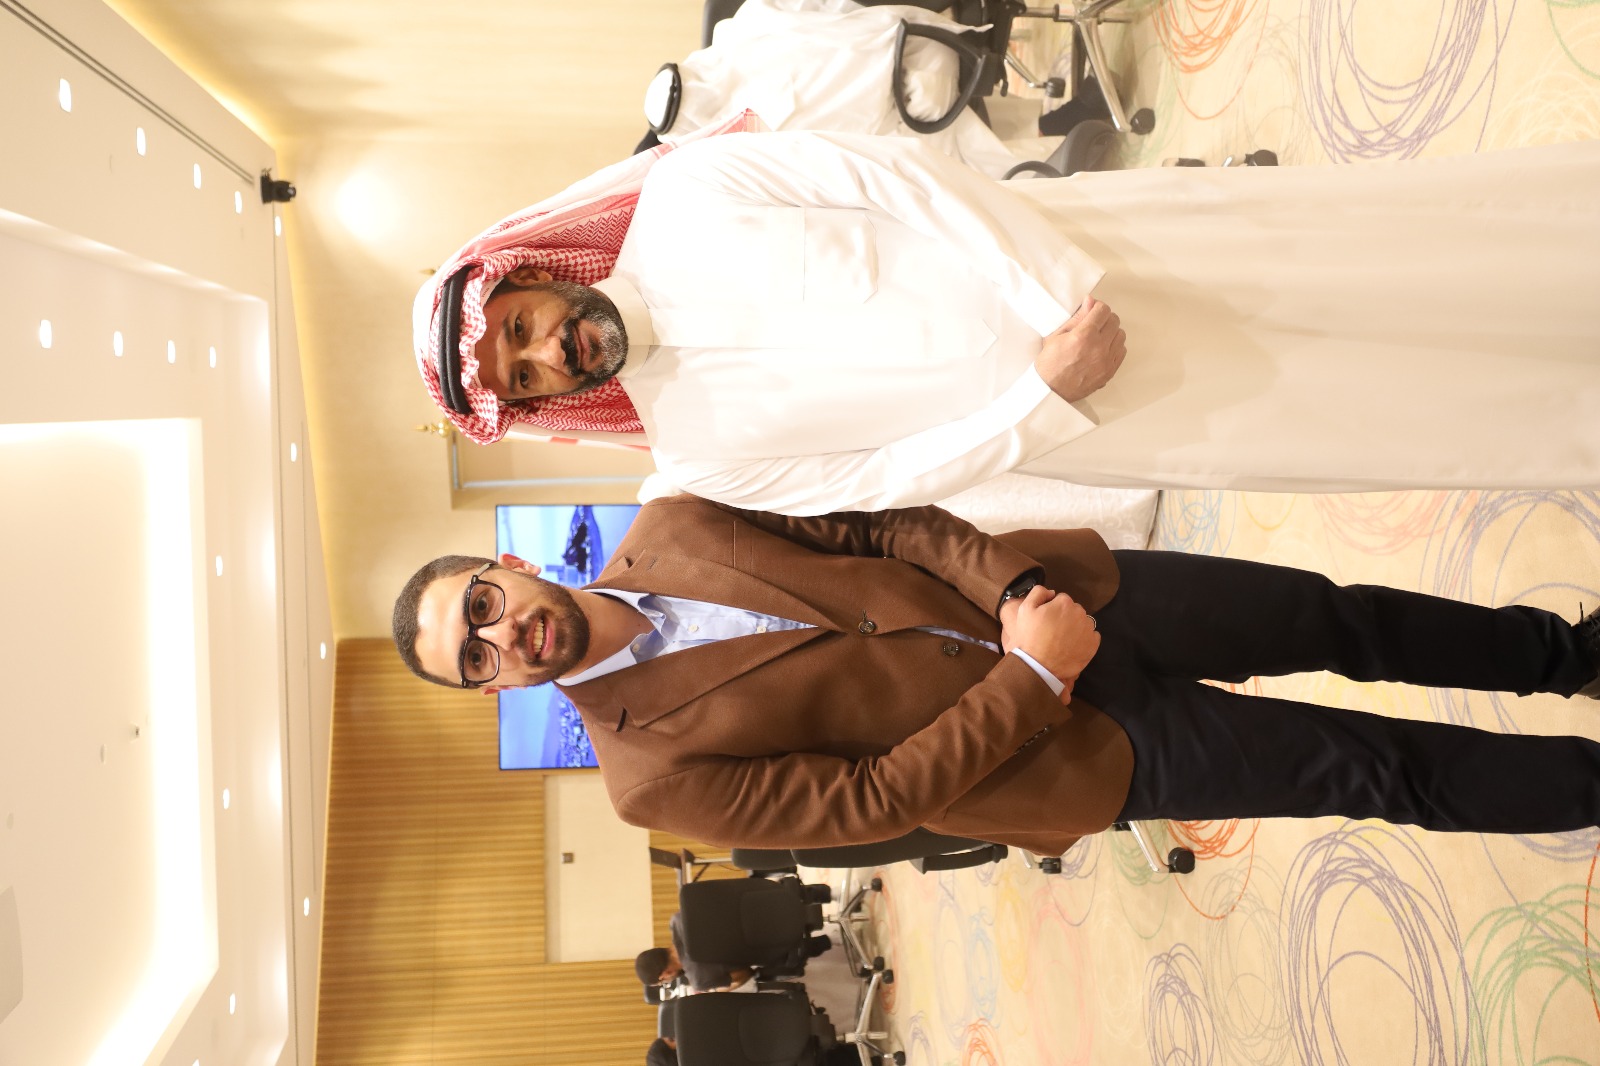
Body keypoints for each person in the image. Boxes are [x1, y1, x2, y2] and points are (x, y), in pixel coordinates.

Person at [414, 129, 1600, 514]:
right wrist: (1045, 396)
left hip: (1106, 260)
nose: (544, 351)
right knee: (1372, 417)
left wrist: (1052, 306)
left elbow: (894, 174)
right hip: (1104, 411)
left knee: (1376, 266)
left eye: (520, 327)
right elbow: (888, 478)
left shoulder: (689, 194)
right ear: (541, 406)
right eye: (525, 377)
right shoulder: (699, 456)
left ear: (532, 276)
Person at [390, 497, 1600, 852]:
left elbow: (878, 528)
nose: (501, 636)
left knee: (1339, 617)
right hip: (1069, 752)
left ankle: (1571, 657)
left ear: (508, 568)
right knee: (1367, 771)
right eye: (474, 657)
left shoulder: (674, 521)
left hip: (1069, 593)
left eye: (480, 606)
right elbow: (868, 803)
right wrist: (1028, 680)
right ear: (493, 690)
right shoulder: (643, 780)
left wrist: (1014, 590)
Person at [635, 916, 754, 996]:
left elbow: (745, 974)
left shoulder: (699, 980)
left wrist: (715, 990)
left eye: (663, 983)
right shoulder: (677, 920)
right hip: (754, 911)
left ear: (665, 974)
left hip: (760, 950)